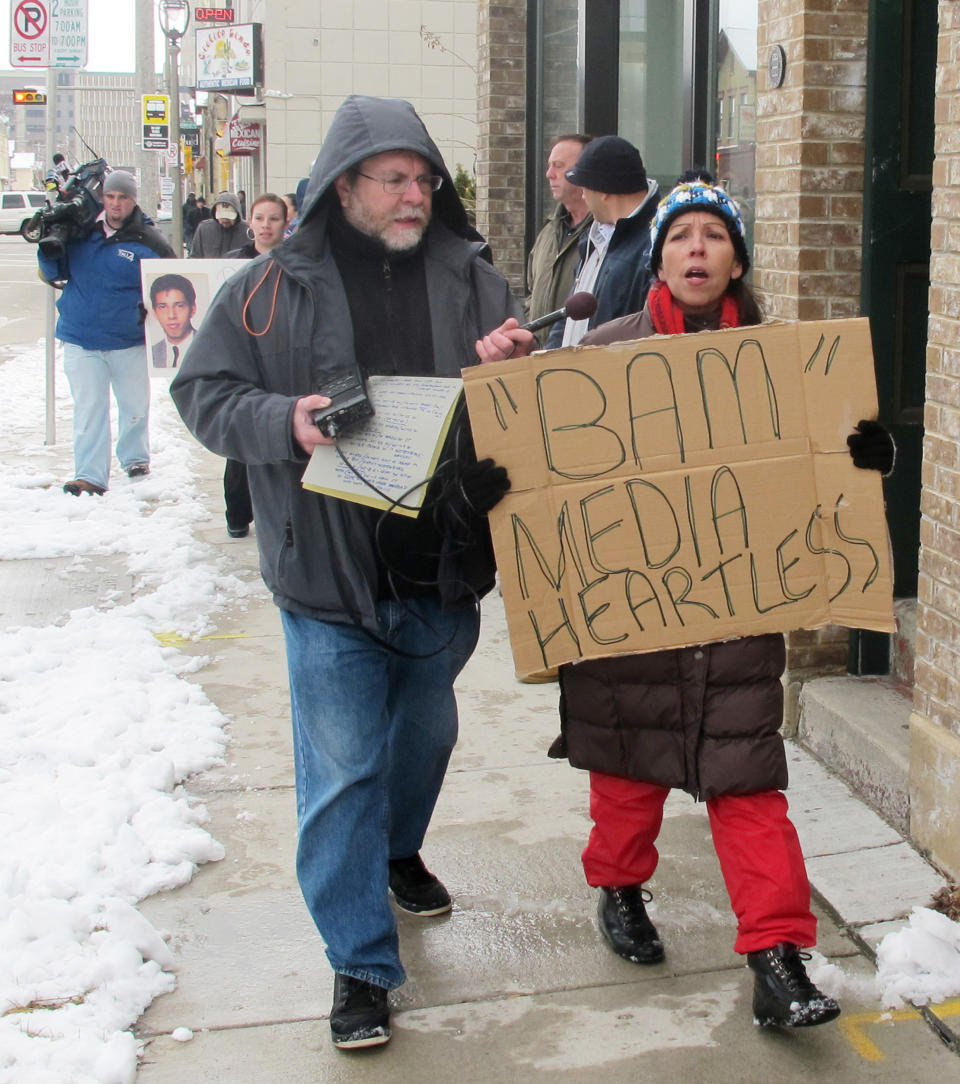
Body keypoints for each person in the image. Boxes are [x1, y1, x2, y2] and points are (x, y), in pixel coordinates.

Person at [477, 174, 894, 1031]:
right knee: (627, 781)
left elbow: (824, 480)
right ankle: (620, 889)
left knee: (750, 788)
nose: (695, 250)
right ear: (658, 259)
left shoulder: (786, 362)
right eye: (679, 237)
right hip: (629, 625)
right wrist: (502, 429)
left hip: (736, 625)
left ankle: (777, 957)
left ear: (736, 259)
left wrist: (864, 454)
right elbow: (542, 467)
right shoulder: (601, 358)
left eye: (712, 235)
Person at [170, 94, 524, 1050]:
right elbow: (201, 394)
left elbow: (526, 412)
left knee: (426, 741)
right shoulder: (263, 288)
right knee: (341, 773)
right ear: (343, 185)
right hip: (326, 580)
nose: (414, 195)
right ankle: (361, 966)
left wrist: (508, 372)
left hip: (441, 575)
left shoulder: (479, 283)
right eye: (392, 179)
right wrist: (280, 423)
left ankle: (398, 852)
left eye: (424, 179)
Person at [38, 169, 174, 496]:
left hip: (129, 341)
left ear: (133, 200)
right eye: (110, 197)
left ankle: (135, 457)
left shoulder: (150, 241)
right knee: (89, 409)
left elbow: (173, 284)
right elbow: (53, 271)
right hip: (81, 338)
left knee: (134, 407)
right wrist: (46, 245)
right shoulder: (82, 234)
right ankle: (89, 476)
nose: (115, 203)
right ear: (103, 198)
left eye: (123, 197)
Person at [218, 193, 290, 539]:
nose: (266, 225)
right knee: (241, 443)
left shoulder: (296, 262)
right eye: (260, 218)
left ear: (285, 222)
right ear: (250, 222)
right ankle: (238, 514)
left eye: (273, 219)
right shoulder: (233, 263)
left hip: (280, 359)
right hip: (243, 359)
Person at [544, 135, 660, 348]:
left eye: (585, 187)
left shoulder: (656, 246)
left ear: (603, 190)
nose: (584, 196)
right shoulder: (595, 239)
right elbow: (569, 320)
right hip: (575, 376)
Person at [526, 134, 593, 325]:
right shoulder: (548, 232)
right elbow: (532, 295)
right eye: (549, 165)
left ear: (584, 171)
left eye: (559, 165)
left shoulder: (604, 235)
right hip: (540, 352)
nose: (549, 173)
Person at [149, 273, 197, 368]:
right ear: (155, 312)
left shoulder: (211, 347)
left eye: (179, 306)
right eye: (162, 307)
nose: (171, 315)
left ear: (193, 309)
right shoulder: (151, 353)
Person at [188, 191, 247, 258]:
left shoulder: (247, 231)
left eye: (228, 216)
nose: (225, 220)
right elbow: (195, 256)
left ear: (237, 214)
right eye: (221, 216)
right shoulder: (204, 229)